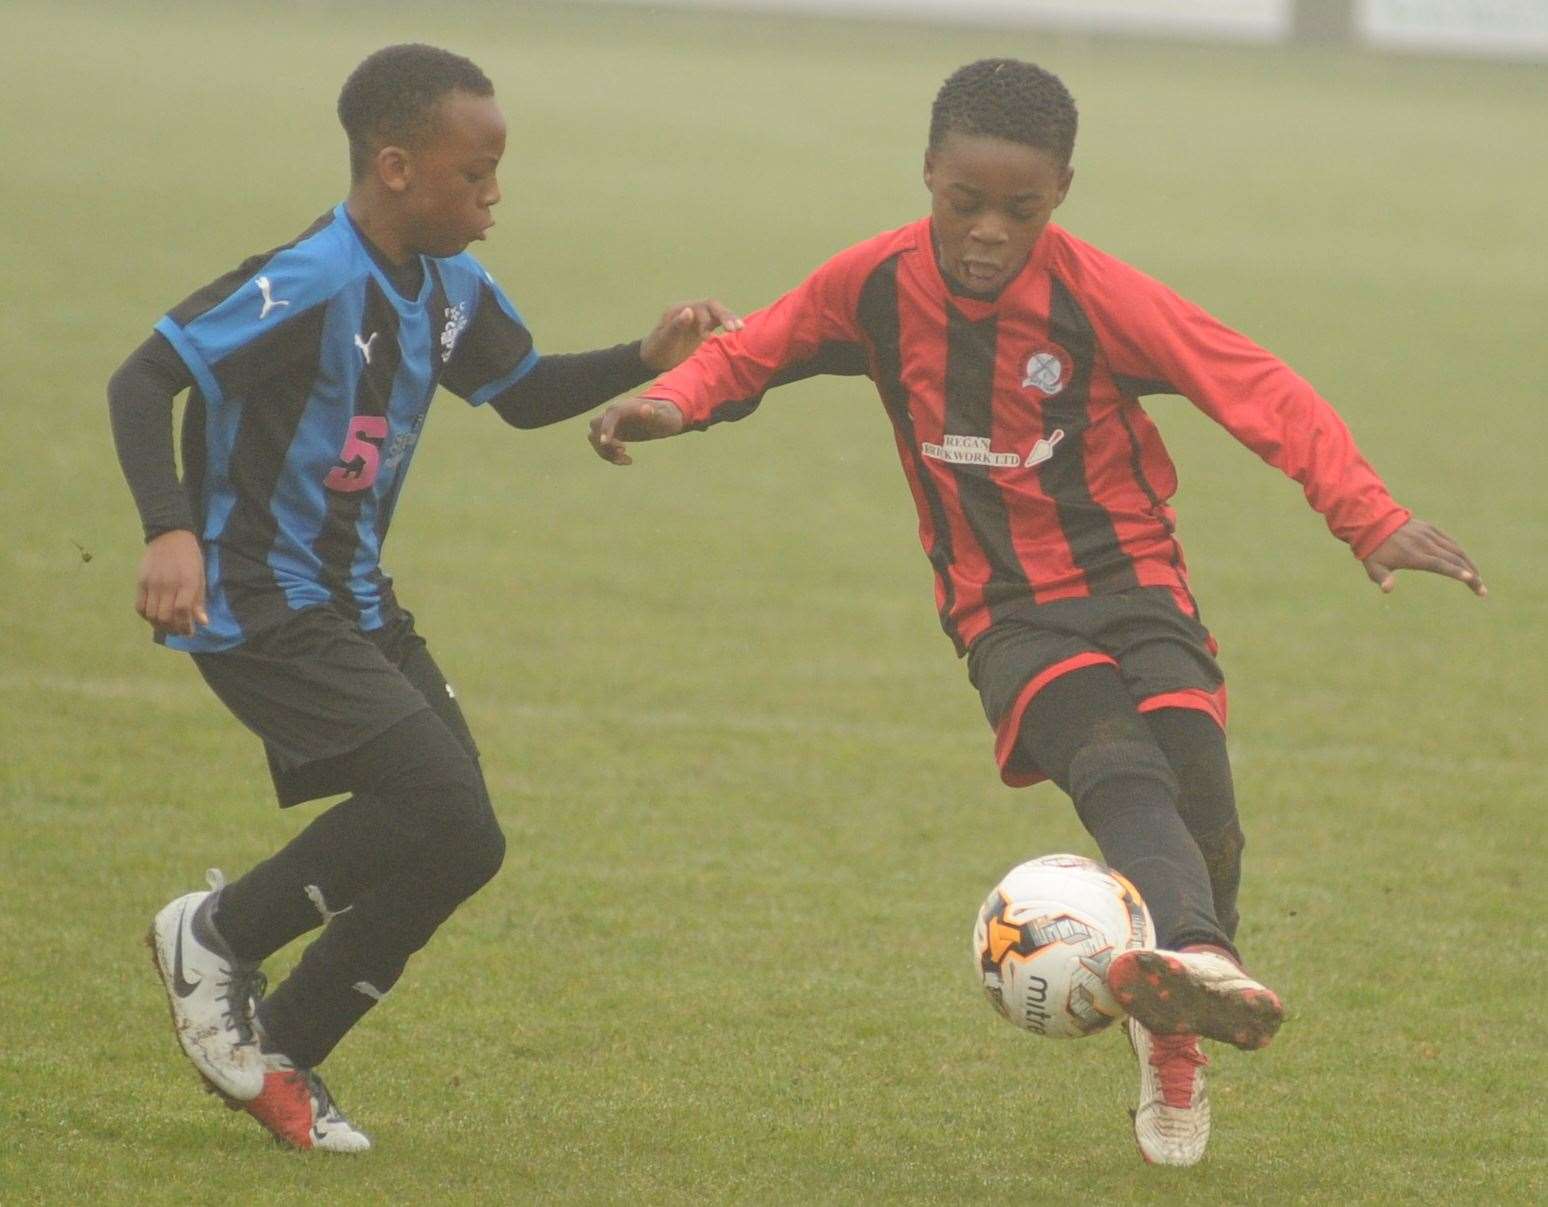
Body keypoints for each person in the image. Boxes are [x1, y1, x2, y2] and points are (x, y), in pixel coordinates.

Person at [586, 58, 1485, 1167]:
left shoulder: (1101, 298)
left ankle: (1173, 1033)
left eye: (1022, 209)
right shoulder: (872, 285)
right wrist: (666, 402)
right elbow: (754, 346)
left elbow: (1258, 386)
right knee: (1121, 769)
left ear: (1061, 190)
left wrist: (1367, 514)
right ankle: (1197, 958)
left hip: (1138, 586)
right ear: (928, 174)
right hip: (1005, 611)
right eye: (964, 202)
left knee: (1205, 810)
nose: (986, 232)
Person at [110, 43, 741, 1152]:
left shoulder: (449, 283)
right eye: (475, 174)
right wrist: (170, 530)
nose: (494, 196)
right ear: (396, 167)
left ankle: (283, 1051)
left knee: (464, 842)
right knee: (437, 805)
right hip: (258, 598)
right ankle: (213, 935)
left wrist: (645, 356)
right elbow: (145, 376)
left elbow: (523, 391)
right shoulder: (311, 278)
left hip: (355, 601)